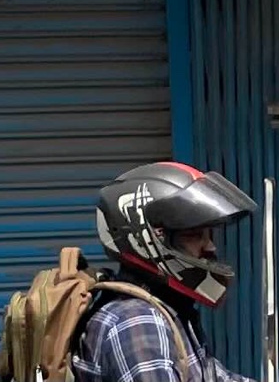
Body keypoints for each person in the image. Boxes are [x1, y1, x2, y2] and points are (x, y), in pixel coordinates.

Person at [72, 162, 258, 382]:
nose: (210, 246)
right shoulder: (139, 323)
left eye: (209, 234)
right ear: (148, 239)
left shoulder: (168, 310)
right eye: (194, 235)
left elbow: (215, 378)